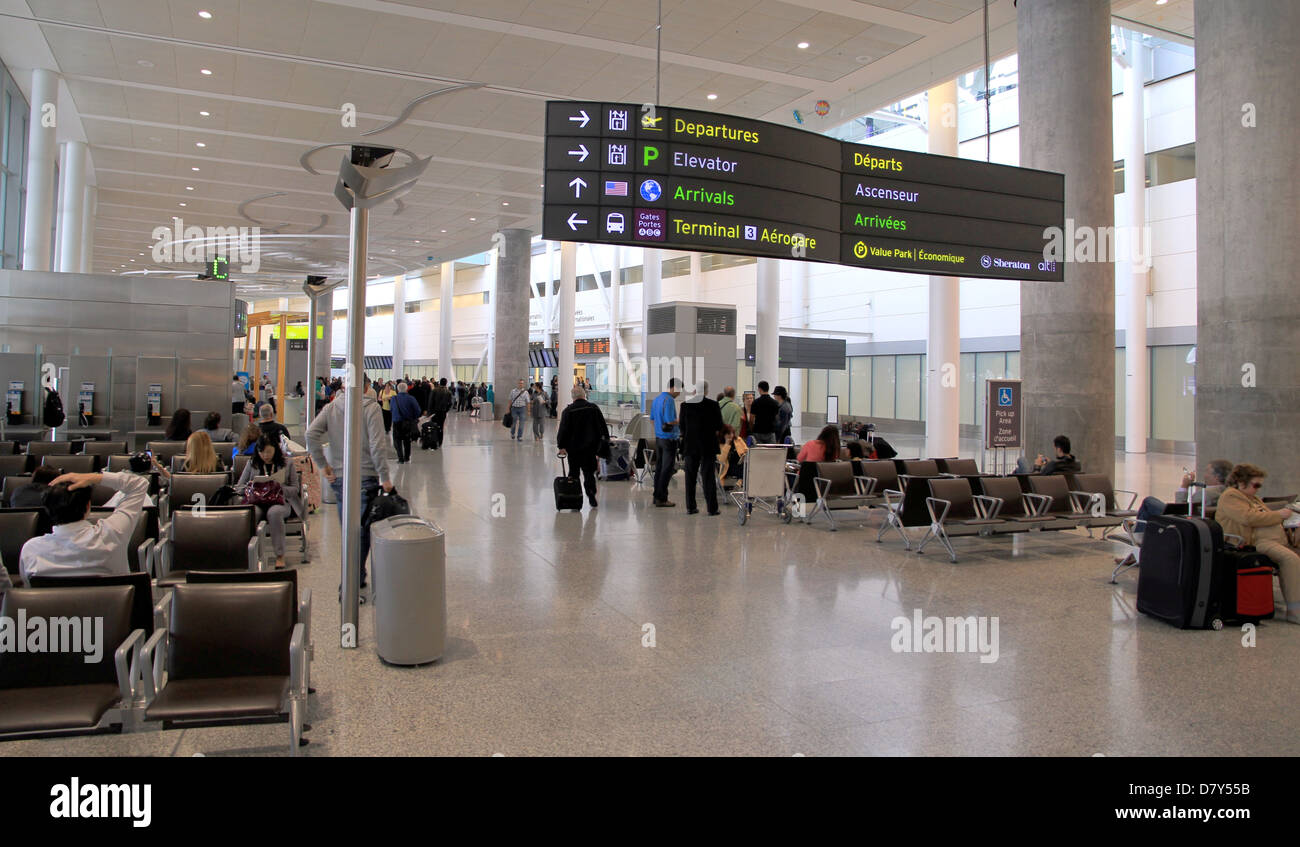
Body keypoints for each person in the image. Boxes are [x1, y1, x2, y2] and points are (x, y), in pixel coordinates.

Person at [306, 371, 396, 593]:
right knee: (361, 531)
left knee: (349, 529)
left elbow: (310, 434)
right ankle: (353, 578)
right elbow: (377, 445)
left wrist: (323, 465)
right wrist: (384, 477)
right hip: (365, 477)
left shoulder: (332, 407)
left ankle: (354, 575)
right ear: (366, 387)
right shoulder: (370, 407)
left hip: (339, 477)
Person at [18, 469, 150, 582]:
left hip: (53, 612)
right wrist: (93, 477)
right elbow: (139, 484)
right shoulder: (110, 535)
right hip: (113, 610)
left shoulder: (31, 550)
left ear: (48, 509)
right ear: (88, 506)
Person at [1215, 463, 1300, 624]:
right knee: (1290, 559)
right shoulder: (1230, 496)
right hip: (1254, 542)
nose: (1258, 489)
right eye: (1256, 485)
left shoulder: (1252, 498)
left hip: (1274, 540)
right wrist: (1280, 515)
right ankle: (1295, 610)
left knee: (1292, 557)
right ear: (1241, 482)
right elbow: (1249, 518)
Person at [236, 435, 304, 569]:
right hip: (257, 502)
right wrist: (253, 486)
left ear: (275, 449)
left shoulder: (287, 463)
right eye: (262, 452)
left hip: (279, 502)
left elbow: (295, 488)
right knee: (251, 513)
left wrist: (278, 488)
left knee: (274, 513)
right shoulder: (252, 463)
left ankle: (280, 555)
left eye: (268, 451)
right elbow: (239, 487)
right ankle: (247, 553)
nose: (265, 455)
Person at [556, 385, 609, 509]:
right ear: (584, 395)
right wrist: (605, 441)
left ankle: (574, 498)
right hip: (590, 449)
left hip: (573, 449)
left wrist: (561, 446)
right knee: (589, 473)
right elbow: (602, 427)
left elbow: (563, 430)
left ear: (572, 397)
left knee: (573, 473)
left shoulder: (568, 411)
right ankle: (591, 495)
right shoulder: (593, 408)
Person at [678, 380, 723, 516]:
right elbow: (719, 425)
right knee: (708, 476)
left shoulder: (685, 405)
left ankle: (691, 507)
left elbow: (682, 427)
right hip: (708, 446)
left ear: (694, 391)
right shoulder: (713, 405)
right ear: (706, 391)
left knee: (690, 477)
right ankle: (712, 508)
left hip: (690, 445)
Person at [650, 377, 682, 507]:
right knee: (667, 469)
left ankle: (656, 495)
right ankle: (662, 498)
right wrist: (681, 420)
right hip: (669, 438)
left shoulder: (657, 399)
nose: (679, 393)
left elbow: (652, 419)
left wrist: (659, 428)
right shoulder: (668, 400)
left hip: (659, 438)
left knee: (659, 468)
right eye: (679, 390)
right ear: (674, 388)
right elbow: (670, 421)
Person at [153, 430, 222, 481]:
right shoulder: (218, 464)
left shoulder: (187, 465)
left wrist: (158, 466)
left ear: (192, 447)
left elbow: (175, 482)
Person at [390, 380, 422, 464]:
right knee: (407, 440)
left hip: (397, 422)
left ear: (397, 389)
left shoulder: (394, 398)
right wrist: (414, 418)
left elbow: (391, 409)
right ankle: (407, 457)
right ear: (406, 389)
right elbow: (418, 411)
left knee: (397, 440)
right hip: (408, 423)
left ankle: (400, 458)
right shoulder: (411, 398)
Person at [1015, 435, 1081, 475]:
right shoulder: (1077, 464)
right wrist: (1049, 464)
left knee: (1022, 460)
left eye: (1055, 448)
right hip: (1064, 491)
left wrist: (1037, 466)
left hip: (1033, 486)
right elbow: (1061, 465)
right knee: (1018, 470)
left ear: (1059, 449)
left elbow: (1037, 479)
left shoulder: (1054, 465)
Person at [430, 378, 453, 445]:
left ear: (440, 382)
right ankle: (440, 441)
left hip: (434, 411)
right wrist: (446, 410)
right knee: (441, 426)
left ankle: (434, 439)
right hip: (442, 412)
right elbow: (450, 403)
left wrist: (430, 411)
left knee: (434, 425)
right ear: (446, 383)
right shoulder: (448, 392)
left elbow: (431, 401)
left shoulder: (434, 390)